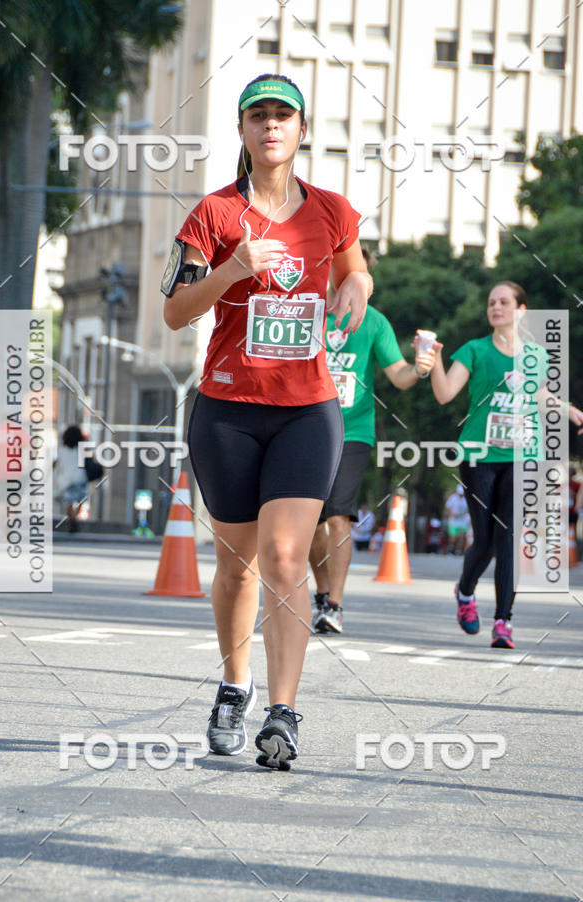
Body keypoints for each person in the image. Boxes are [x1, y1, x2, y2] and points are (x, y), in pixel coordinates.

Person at [161, 74, 370, 770]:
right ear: (244, 131)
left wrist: (356, 285)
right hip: (226, 409)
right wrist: (232, 270)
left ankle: (283, 714)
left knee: (286, 556)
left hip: (308, 407)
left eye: (284, 115)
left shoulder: (333, 210)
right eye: (259, 116)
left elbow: (355, 270)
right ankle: (233, 684)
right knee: (236, 565)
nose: (272, 126)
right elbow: (175, 310)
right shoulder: (214, 214)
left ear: (301, 129)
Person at [430, 281, 583, 648]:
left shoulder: (537, 356)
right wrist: (435, 360)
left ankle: (503, 622)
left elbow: (541, 394)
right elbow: (445, 393)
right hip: (478, 455)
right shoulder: (473, 350)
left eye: (504, 302)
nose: (496, 307)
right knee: (485, 541)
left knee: (509, 538)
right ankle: (466, 592)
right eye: (491, 302)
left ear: (521, 310)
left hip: (523, 454)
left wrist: (570, 410)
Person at [308, 280, 436, 633]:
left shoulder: (375, 322)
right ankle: (321, 593)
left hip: (353, 432)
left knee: (338, 517)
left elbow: (399, 375)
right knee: (310, 523)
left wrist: (421, 368)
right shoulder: (309, 311)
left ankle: (334, 605)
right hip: (304, 428)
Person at [54, 425, 88, 533]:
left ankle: (71, 519)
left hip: (66, 480)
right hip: (79, 478)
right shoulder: (81, 450)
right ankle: (76, 517)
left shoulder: (62, 451)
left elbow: (57, 464)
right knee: (81, 499)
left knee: (68, 502)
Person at [444, 484, 470, 555]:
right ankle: (450, 550)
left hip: (462, 520)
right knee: (453, 537)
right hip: (454, 520)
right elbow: (447, 507)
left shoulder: (465, 499)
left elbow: (468, 509)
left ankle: (458, 551)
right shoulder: (453, 498)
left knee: (461, 536)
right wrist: (451, 514)